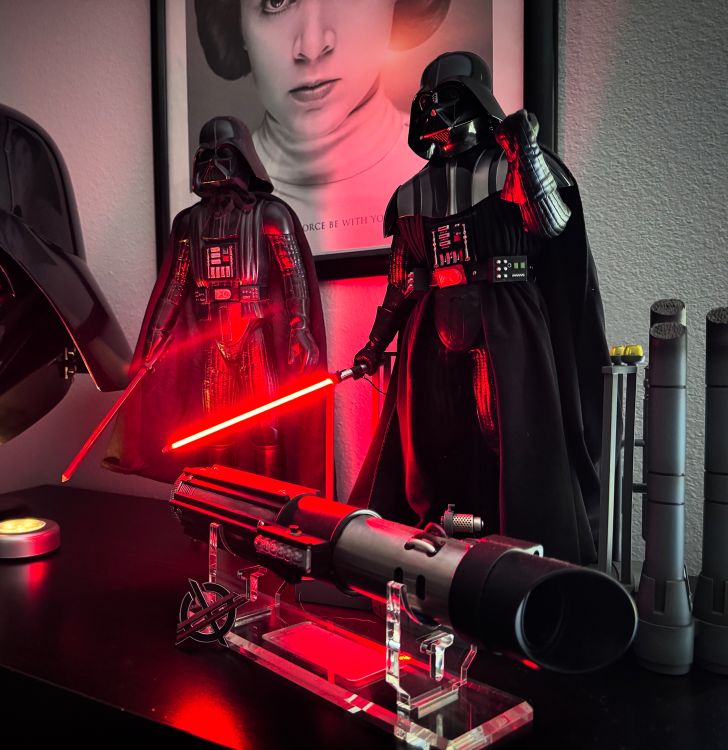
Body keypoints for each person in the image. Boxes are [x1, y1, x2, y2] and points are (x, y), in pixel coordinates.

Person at [349, 52, 608, 564]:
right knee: (431, 446)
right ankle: (439, 548)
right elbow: (400, 283)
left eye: (450, 97)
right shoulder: (410, 195)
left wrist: (526, 151)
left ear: (477, 99)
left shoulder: (517, 168)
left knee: (505, 438)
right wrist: (374, 346)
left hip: (505, 323)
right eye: (429, 101)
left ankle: (512, 550)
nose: (438, 111)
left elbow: (553, 224)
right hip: (430, 327)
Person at [105, 116, 329, 489]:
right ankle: (219, 503)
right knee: (215, 430)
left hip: (254, 333)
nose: (213, 165)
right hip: (214, 339)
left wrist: (300, 327)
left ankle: (269, 505)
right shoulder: (188, 223)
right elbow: (175, 285)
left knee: (266, 427)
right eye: (205, 156)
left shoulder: (270, 214)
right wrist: (157, 335)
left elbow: (294, 276)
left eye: (222, 154)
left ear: (242, 157)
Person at [195, 0, 451, 253]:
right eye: (276, 2)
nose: (312, 48)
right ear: (239, 27)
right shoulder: (199, 215)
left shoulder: (448, 178)